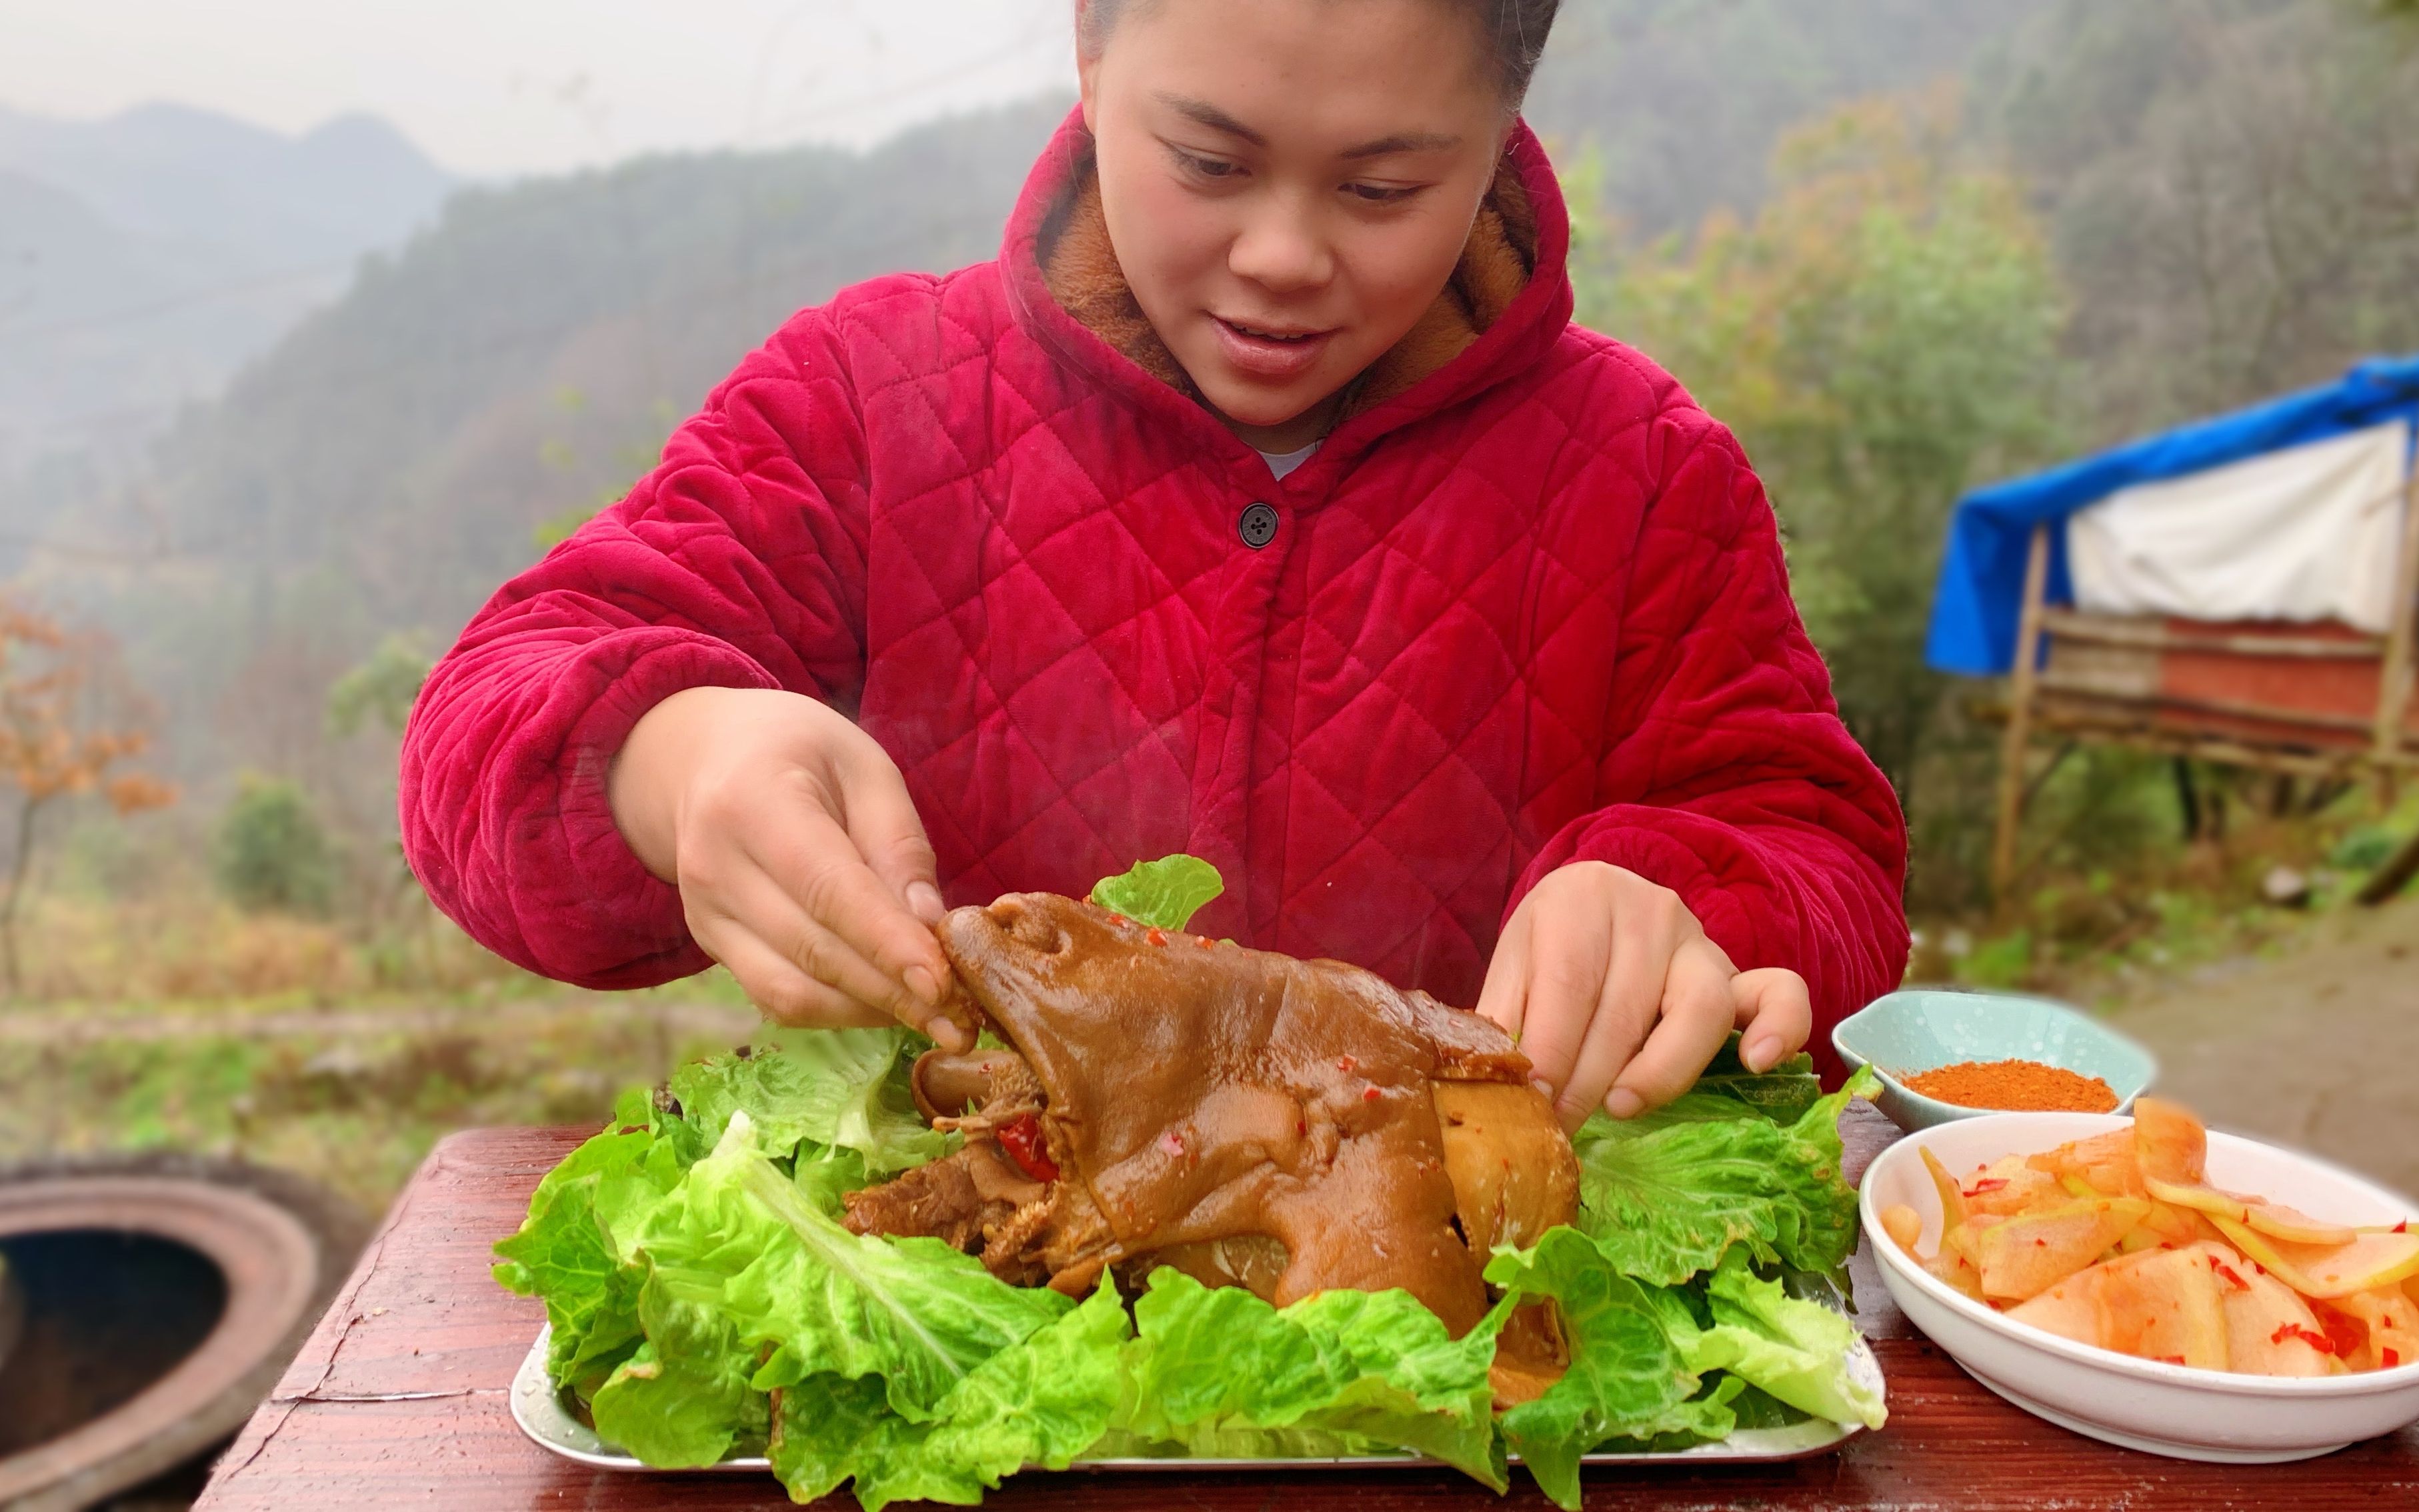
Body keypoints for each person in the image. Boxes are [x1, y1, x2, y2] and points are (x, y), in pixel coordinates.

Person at [399, 0, 1909, 1131]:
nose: (1279, 254)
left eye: (1380, 189)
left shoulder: (1643, 475)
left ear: (1502, 133)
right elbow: (483, 729)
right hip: (975, 1313)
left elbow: (1823, 860)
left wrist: (1691, 907)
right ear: (1087, 57)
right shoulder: (867, 399)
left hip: (1454, 1354)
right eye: (1207, 159)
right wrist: (672, 756)